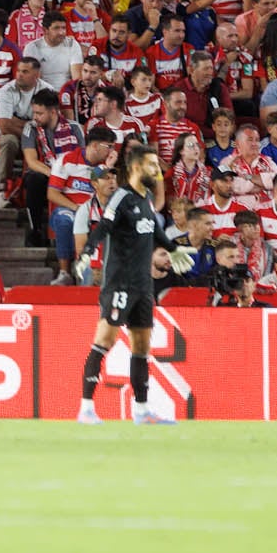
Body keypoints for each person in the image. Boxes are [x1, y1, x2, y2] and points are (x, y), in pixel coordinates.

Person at [77, 142, 187, 425]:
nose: (156, 170)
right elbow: (103, 226)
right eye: (152, 165)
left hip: (142, 286)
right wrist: (88, 251)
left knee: (142, 347)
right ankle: (86, 408)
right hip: (120, 284)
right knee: (104, 341)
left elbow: (156, 232)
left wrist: (174, 250)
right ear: (137, 167)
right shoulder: (122, 197)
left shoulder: (146, 199)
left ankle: (141, 411)